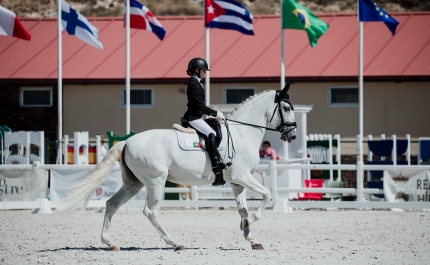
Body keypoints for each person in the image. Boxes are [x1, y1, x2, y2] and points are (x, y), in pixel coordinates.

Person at [182, 57, 226, 186]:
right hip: (193, 118)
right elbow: (199, 106)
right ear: (197, 70)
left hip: (198, 116)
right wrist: (215, 113)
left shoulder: (196, 82)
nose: (205, 73)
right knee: (211, 134)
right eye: (203, 70)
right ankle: (216, 166)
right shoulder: (193, 84)